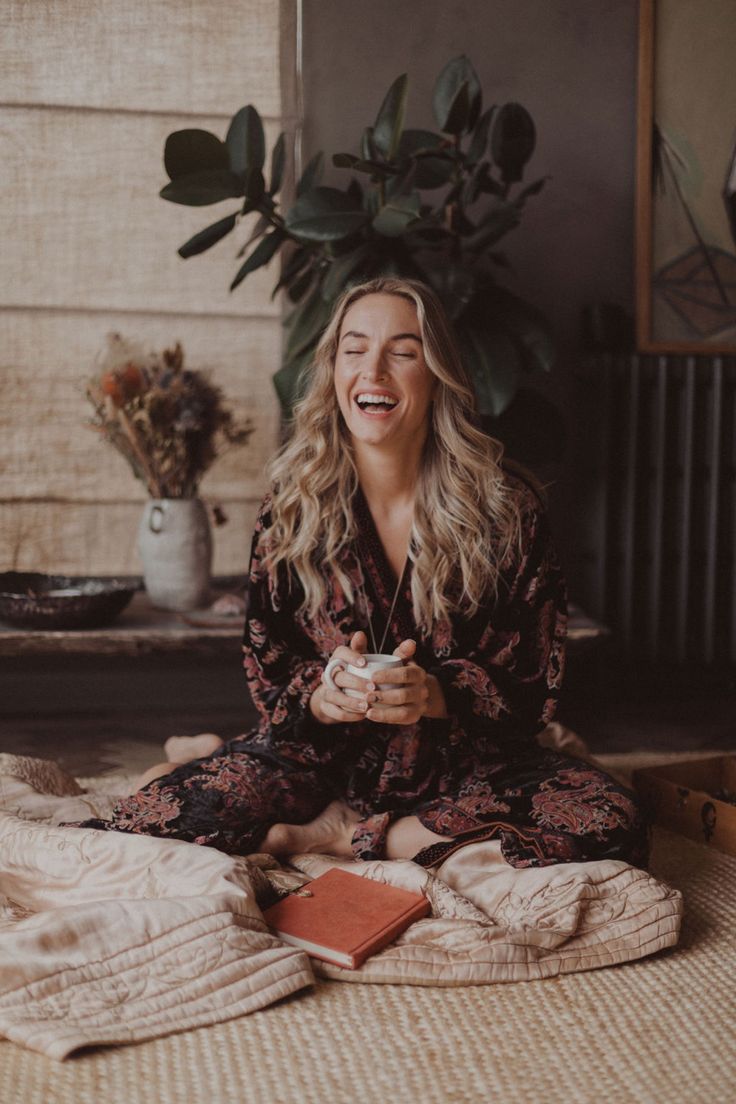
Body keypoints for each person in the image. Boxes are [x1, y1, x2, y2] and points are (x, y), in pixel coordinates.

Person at [73, 277, 649, 869]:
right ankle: (220, 765)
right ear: (333, 372)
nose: (373, 369)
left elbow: (534, 685)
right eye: (355, 349)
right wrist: (324, 697)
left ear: (437, 375)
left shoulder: (505, 509)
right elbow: (268, 667)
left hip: (462, 769)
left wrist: (435, 693)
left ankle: (338, 837)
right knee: (149, 823)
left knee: (609, 821)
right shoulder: (291, 506)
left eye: (402, 351)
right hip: (316, 761)